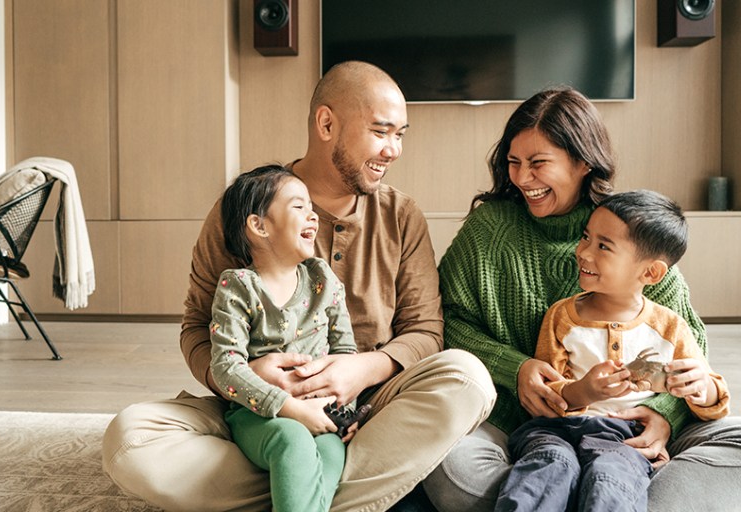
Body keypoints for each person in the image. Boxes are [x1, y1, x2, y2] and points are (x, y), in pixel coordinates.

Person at [102, 61, 496, 512]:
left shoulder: (402, 216)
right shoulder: (247, 208)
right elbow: (196, 327)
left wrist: (358, 371)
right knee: (129, 438)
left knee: (468, 378)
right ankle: (327, 489)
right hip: (254, 410)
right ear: (327, 123)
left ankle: (293, 488)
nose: (394, 150)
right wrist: (250, 380)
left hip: (365, 414)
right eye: (382, 132)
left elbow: (426, 333)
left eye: (400, 134)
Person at [422, 86, 741, 512]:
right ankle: (599, 494)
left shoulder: (629, 229)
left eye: (538, 164)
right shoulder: (490, 229)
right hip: (523, 428)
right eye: (514, 163)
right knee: (448, 462)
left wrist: (664, 414)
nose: (522, 178)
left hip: (626, 428)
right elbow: (445, 323)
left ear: (583, 162)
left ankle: (574, 494)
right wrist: (515, 369)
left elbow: (690, 350)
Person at [494, 190, 731, 512]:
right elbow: (546, 393)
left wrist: (703, 387)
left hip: (624, 438)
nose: (583, 252)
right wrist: (582, 391)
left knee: (611, 477)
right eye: (585, 237)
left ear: (651, 273)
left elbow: (712, 397)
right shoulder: (562, 316)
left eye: (604, 246)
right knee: (547, 467)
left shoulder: (670, 326)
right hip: (555, 432)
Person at [210, 164, 369, 512]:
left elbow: (345, 353)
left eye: (312, 208)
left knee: (330, 454)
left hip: (322, 413)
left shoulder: (322, 279)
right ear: (259, 225)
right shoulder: (237, 286)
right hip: (258, 416)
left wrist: (343, 414)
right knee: (292, 438)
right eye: (299, 207)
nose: (313, 216)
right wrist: (290, 408)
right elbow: (225, 367)